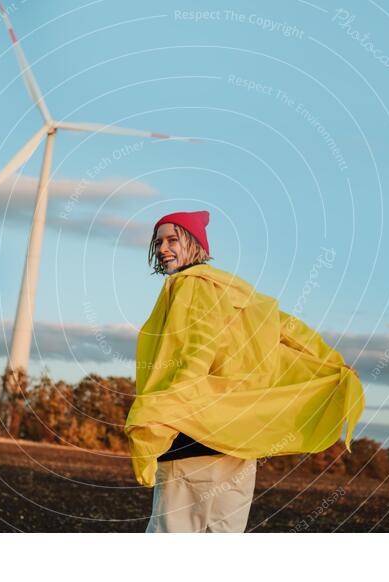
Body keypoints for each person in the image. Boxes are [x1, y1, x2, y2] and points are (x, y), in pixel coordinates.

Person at [125, 210, 364, 533]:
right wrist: (332, 362)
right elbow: (288, 328)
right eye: (158, 243)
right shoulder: (239, 292)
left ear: (195, 243)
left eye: (172, 240)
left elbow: (193, 352)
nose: (163, 249)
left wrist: (162, 415)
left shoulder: (189, 285)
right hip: (240, 441)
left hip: (191, 436)